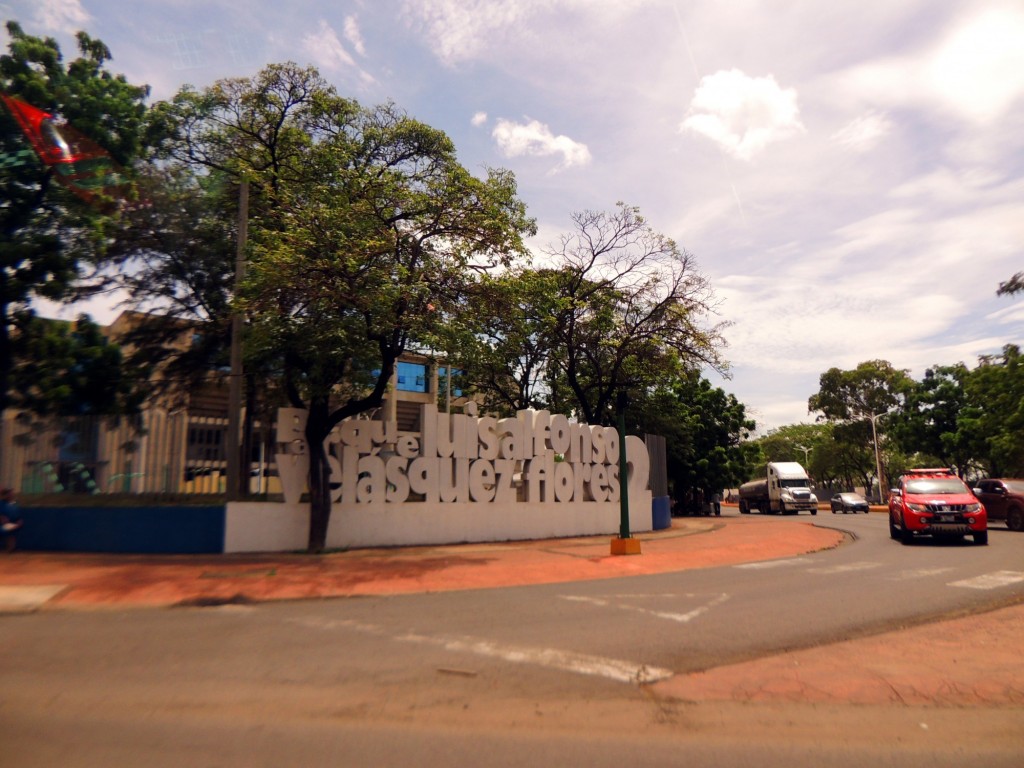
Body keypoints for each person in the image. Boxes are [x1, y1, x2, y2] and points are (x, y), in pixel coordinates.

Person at [1, 487, 23, 553]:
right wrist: (3, 520)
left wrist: (19, 521)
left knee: (12, 529)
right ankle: (9, 548)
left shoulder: (14, 504)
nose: (11, 495)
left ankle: (11, 548)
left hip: (12, 523)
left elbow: (18, 515)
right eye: (10, 494)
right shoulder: (1, 503)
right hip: (3, 524)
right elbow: (2, 517)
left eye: (12, 493)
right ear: (5, 495)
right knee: (7, 529)